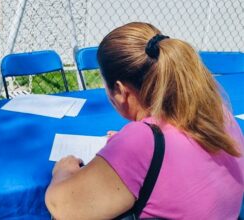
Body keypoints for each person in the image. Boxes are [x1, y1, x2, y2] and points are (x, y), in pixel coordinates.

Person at [45, 22, 244, 219]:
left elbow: (62, 207)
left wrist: (63, 170)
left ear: (121, 91)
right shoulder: (217, 112)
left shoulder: (142, 140)